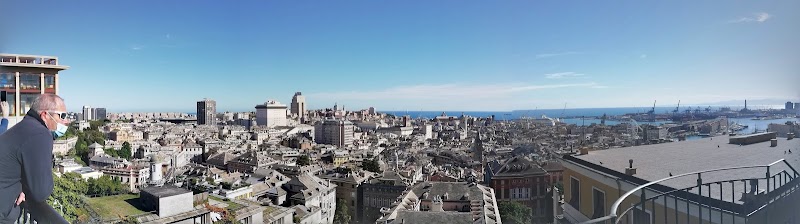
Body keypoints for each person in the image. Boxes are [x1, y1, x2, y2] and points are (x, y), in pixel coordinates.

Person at [0, 94, 69, 223]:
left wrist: (24, 188)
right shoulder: (40, 134)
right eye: (62, 116)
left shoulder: (25, 127)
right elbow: (41, 192)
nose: (66, 121)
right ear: (45, 115)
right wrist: (28, 189)